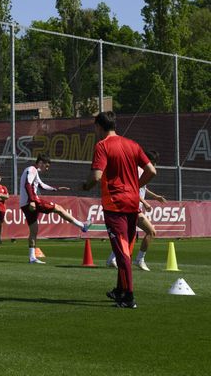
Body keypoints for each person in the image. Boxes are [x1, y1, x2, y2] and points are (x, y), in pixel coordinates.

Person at [83, 111, 155, 308]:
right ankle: (120, 290)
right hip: (133, 204)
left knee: (122, 251)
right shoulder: (132, 144)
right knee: (127, 249)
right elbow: (152, 171)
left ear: (99, 126)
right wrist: (135, 186)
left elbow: (96, 176)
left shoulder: (102, 145)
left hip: (115, 204)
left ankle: (129, 297)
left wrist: (85, 185)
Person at [19, 154, 88, 264]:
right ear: (40, 163)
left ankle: (32, 257)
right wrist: (32, 200)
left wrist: (56, 188)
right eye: (46, 166)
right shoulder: (32, 169)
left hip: (24, 204)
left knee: (34, 230)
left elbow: (41, 185)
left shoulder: (32, 171)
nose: (47, 169)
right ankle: (82, 226)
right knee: (59, 208)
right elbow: (28, 184)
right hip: (32, 201)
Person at [106, 150, 166, 272]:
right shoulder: (137, 171)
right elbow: (131, 189)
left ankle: (112, 259)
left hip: (131, 206)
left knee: (128, 235)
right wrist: (145, 203)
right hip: (132, 206)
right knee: (151, 231)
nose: (154, 165)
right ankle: (140, 259)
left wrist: (155, 197)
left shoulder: (140, 170)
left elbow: (143, 188)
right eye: (154, 162)